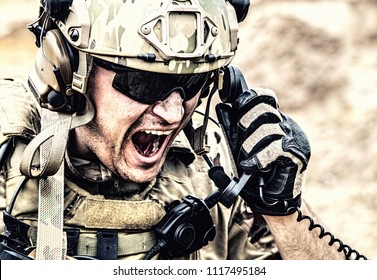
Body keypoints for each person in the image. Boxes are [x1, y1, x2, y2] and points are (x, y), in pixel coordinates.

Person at [0, 0, 363, 260]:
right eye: (143, 84)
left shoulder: (219, 167)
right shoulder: (7, 147)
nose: (173, 112)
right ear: (67, 69)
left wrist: (282, 210)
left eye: (191, 84)